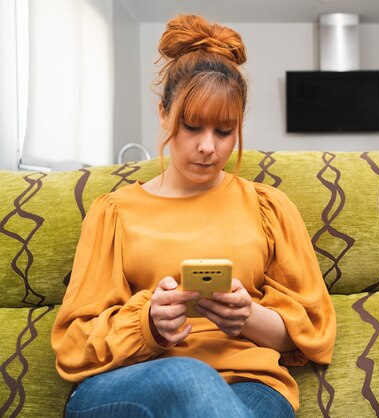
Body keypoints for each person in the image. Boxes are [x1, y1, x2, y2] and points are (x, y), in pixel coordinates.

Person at [51, 14, 336, 418]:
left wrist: (247, 316)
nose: (208, 147)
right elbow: (74, 345)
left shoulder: (269, 208)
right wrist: (149, 322)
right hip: (134, 381)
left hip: (251, 390)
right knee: (189, 378)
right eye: (192, 126)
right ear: (164, 113)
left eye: (224, 131)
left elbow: (313, 334)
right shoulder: (114, 212)